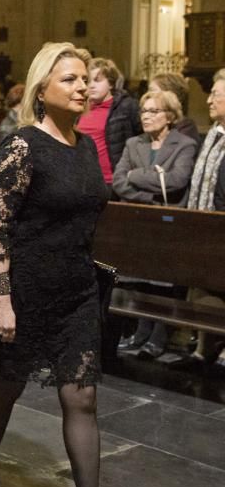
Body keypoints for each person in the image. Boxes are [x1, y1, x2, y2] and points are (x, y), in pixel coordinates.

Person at [0, 42, 121, 487]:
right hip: (26, 289)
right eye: (71, 79)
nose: (83, 86)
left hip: (77, 290)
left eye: (86, 78)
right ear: (43, 89)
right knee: (8, 385)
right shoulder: (21, 146)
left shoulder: (85, 147)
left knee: (81, 397)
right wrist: (2, 299)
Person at [111, 89, 196, 359]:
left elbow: (176, 181)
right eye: (144, 111)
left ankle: (158, 336)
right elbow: (119, 181)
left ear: (169, 116)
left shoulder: (184, 145)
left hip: (167, 223)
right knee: (139, 279)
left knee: (162, 281)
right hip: (140, 219)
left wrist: (136, 176)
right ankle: (140, 332)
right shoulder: (133, 143)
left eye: (153, 111)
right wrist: (150, 192)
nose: (146, 116)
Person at [186, 73, 225, 367]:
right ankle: (204, 345)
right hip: (208, 225)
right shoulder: (214, 135)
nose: (209, 99)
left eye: (215, 94)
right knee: (202, 286)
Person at [77, 57, 141, 188]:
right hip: (84, 180)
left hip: (113, 181)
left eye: (98, 80)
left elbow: (141, 140)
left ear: (111, 83)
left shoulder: (126, 106)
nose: (91, 85)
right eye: (88, 81)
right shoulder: (79, 108)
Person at [148, 72, 200, 147]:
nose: (147, 96)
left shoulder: (186, 128)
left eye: (152, 91)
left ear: (171, 95)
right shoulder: (149, 121)